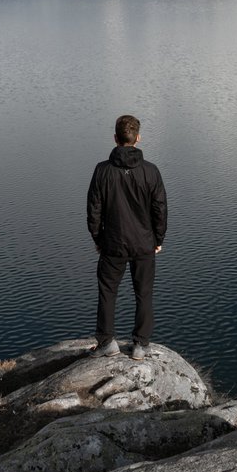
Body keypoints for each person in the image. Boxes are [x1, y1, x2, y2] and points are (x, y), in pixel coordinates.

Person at [86, 114, 167, 361]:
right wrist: (158, 239)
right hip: (144, 244)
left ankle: (106, 343)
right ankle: (141, 345)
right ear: (138, 138)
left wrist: (98, 238)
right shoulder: (151, 171)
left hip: (112, 243)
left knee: (107, 292)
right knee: (144, 293)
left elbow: (93, 210)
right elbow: (160, 209)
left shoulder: (102, 171)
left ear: (115, 138)